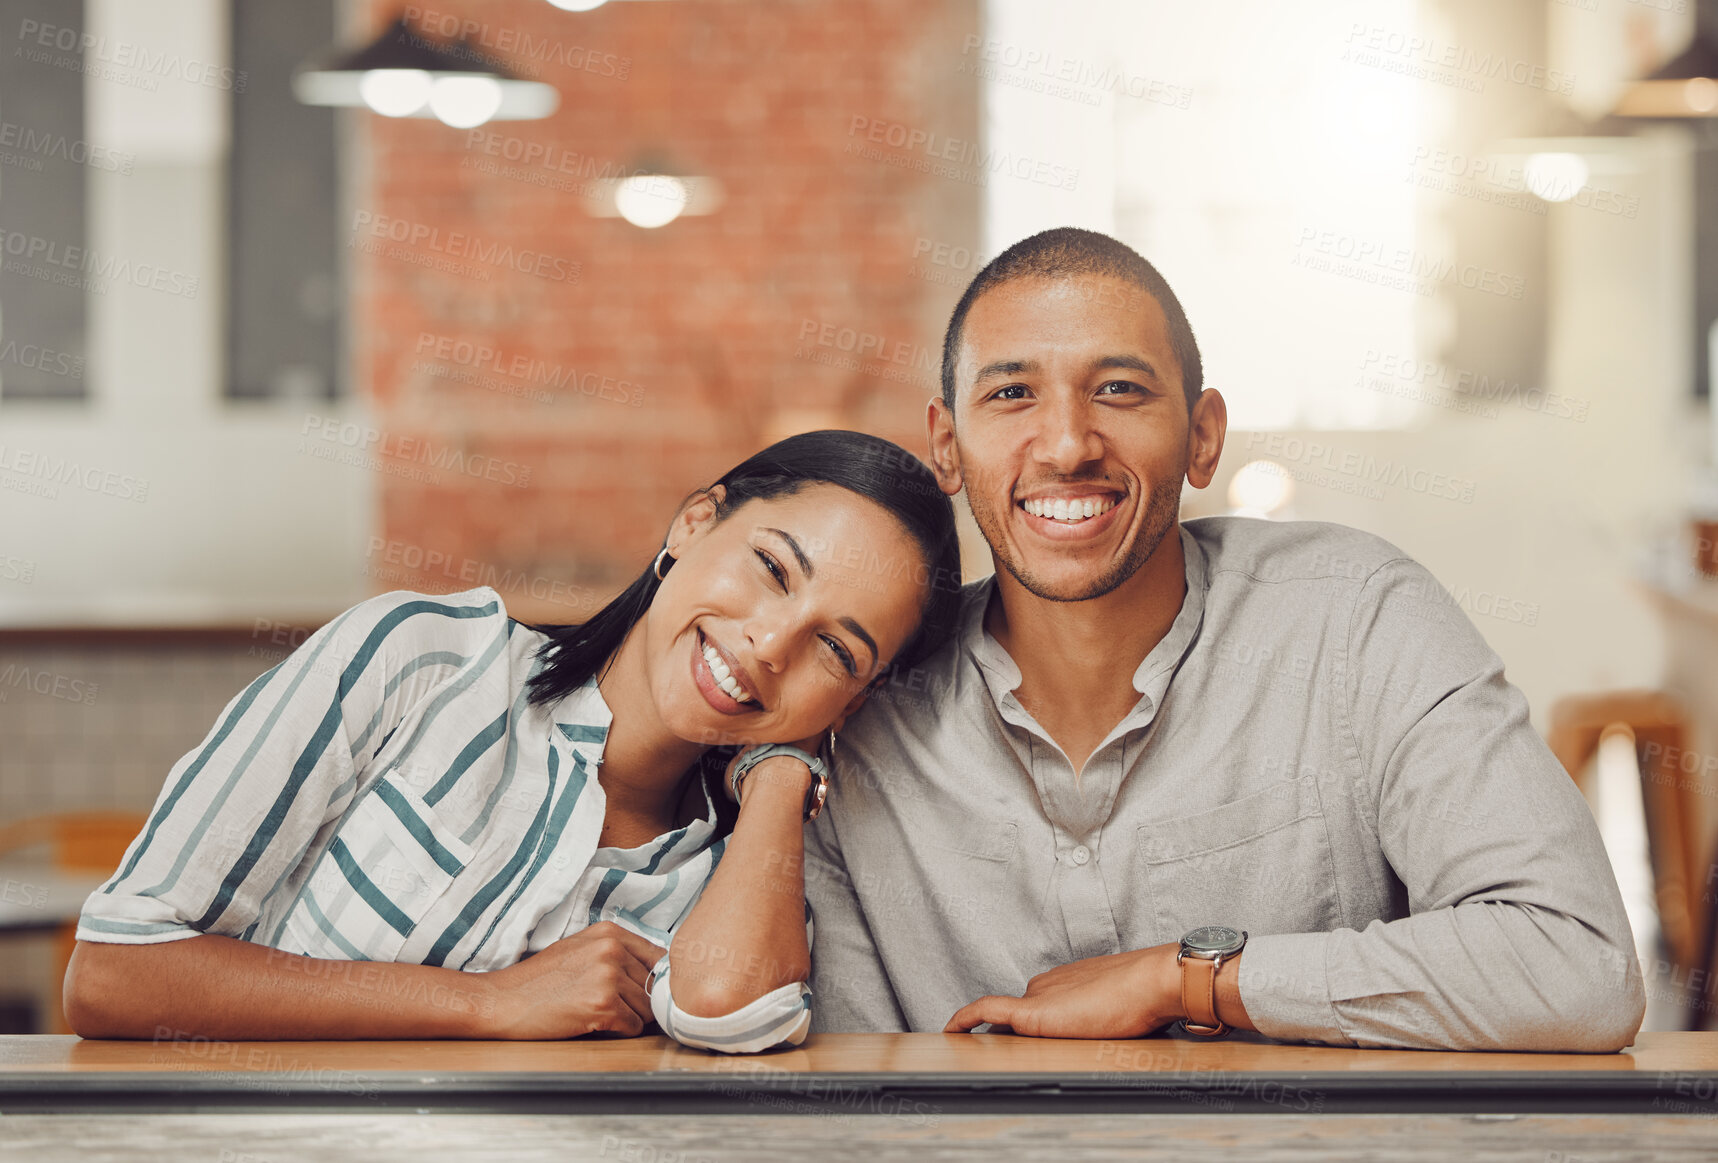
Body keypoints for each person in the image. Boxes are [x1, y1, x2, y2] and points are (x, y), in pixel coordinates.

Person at [803, 227, 1647, 1052]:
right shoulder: (865, 704)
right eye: (1012, 394)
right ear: (947, 446)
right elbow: (848, 1093)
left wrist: (1186, 977)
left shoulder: (1356, 618)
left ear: (1202, 436)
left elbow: (1579, 968)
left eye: (1120, 390)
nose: (1067, 444)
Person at [64, 429, 961, 1053]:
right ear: (694, 523)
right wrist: (487, 1005)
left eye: (837, 650)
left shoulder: (741, 877)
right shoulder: (421, 660)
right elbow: (115, 972)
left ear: (856, 699)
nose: (771, 643)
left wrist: (782, 768)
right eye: (771, 569)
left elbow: (733, 1014)